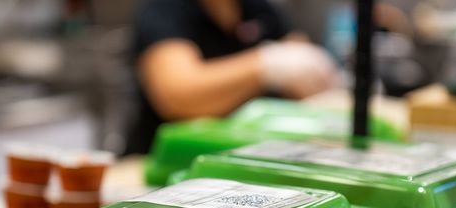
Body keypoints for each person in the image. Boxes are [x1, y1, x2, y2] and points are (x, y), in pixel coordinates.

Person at [127, 0, 338, 154]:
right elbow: (178, 94)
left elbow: (306, 65)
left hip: (250, 153)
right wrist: (264, 64)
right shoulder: (166, 10)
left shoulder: (259, 10)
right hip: (163, 159)